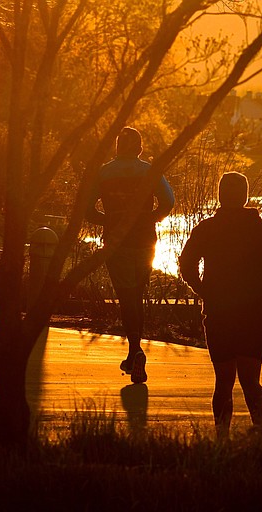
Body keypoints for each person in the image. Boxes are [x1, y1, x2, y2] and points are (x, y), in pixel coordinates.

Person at [179, 172, 262, 438]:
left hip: (218, 313)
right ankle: (259, 433)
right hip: (253, 315)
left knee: (223, 382)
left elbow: (186, 264)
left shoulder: (207, 228)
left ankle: (221, 438)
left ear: (220, 196)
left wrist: (203, 289)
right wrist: (261, 273)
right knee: (250, 382)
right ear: (245, 197)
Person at [87, 127, 175, 384]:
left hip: (118, 243)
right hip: (146, 240)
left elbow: (87, 209)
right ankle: (134, 351)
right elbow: (168, 202)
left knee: (127, 297)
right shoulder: (150, 171)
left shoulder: (104, 172)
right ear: (139, 148)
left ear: (117, 147)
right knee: (137, 293)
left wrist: (109, 221)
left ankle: (135, 349)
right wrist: (150, 218)